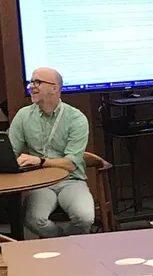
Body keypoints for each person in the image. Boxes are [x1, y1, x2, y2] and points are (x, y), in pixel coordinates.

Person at [8, 67, 93, 238]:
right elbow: (10, 153)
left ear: (54, 88)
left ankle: (63, 244)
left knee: (85, 218)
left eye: (37, 82)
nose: (31, 86)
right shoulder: (23, 116)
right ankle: (63, 241)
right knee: (33, 219)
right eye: (31, 82)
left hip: (71, 180)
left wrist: (40, 161)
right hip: (40, 182)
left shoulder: (76, 118)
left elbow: (70, 163)